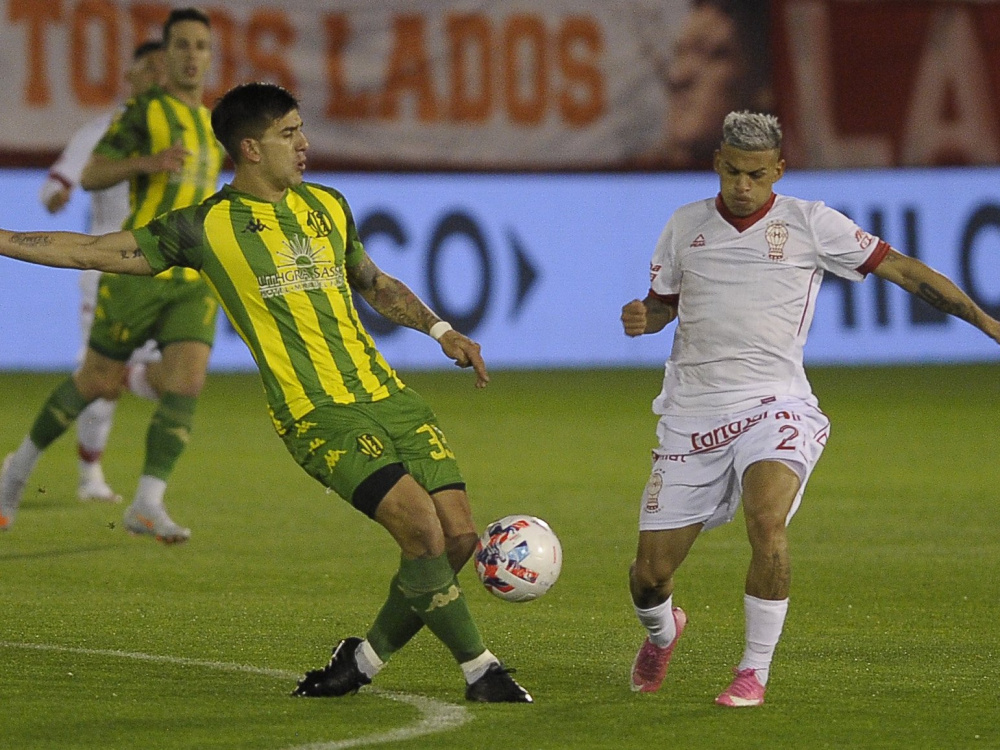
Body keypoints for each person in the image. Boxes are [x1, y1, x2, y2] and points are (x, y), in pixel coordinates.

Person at [0, 81, 533, 703]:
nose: (304, 144)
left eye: (301, 130)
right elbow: (92, 251)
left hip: (391, 397)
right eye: (289, 134)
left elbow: (373, 281)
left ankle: (359, 662)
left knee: (459, 540)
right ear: (250, 149)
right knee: (421, 530)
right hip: (317, 414)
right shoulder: (206, 228)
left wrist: (442, 330)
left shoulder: (328, 206)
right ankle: (482, 671)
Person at [622, 111, 1000, 706]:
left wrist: (989, 323)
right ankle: (664, 633)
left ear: (777, 170)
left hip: (777, 403)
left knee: (766, 522)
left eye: (755, 174)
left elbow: (902, 269)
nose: (742, 186)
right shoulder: (684, 225)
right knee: (649, 577)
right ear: (716, 162)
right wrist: (645, 317)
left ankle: (753, 672)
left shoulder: (809, 223)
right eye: (731, 172)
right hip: (692, 413)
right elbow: (664, 303)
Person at [0, 7, 225, 543]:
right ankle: (16, 472)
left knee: (187, 380)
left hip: (191, 276)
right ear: (166, 55)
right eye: (182, 46)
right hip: (133, 268)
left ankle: (147, 501)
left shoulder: (216, 125)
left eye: (201, 46)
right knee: (97, 383)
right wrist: (144, 166)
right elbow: (94, 171)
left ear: (209, 57)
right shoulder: (144, 112)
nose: (192, 56)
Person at [39, 40, 165, 505]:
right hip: (105, 267)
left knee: (168, 380)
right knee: (103, 382)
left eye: (162, 69)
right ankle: (90, 474)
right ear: (130, 76)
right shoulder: (101, 130)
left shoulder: (180, 132)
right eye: (147, 67)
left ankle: (119, 373)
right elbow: (56, 183)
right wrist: (56, 196)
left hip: (159, 270)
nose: (156, 76)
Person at [637, 0, 773, 170]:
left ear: (761, 82)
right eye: (680, 53)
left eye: (712, 54)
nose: (677, 76)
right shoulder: (630, 177)